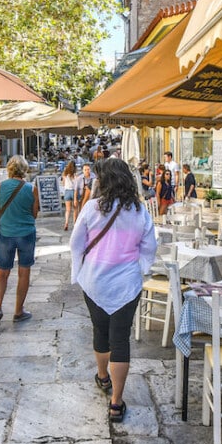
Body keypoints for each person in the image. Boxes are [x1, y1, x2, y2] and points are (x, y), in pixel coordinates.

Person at [70, 158, 156, 423]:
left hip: (95, 280)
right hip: (126, 284)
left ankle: (103, 376)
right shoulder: (139, 211)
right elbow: (149, 246)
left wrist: (79, 269)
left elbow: (76, 242)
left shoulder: (92, 208)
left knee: (100, 331)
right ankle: (116, 403)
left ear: (103, 181)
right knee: (120, 339)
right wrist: (140, 267)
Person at [0, 155, 39, 330]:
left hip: (6, 233)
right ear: (24, 170)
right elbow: (34, 213)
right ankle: (18, 311)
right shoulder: (31, 188)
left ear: (9, 170)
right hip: (26, 234)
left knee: (2, 273)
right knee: (24, 272)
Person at [60, 161, 78, 231]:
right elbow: (77, 185)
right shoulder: (76, 175)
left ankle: (66, 223)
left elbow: (63, 184)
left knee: (67, 210)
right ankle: (75, 224)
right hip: (74, 192)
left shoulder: (64, 174)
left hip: (67, 191)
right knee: (75, 209)